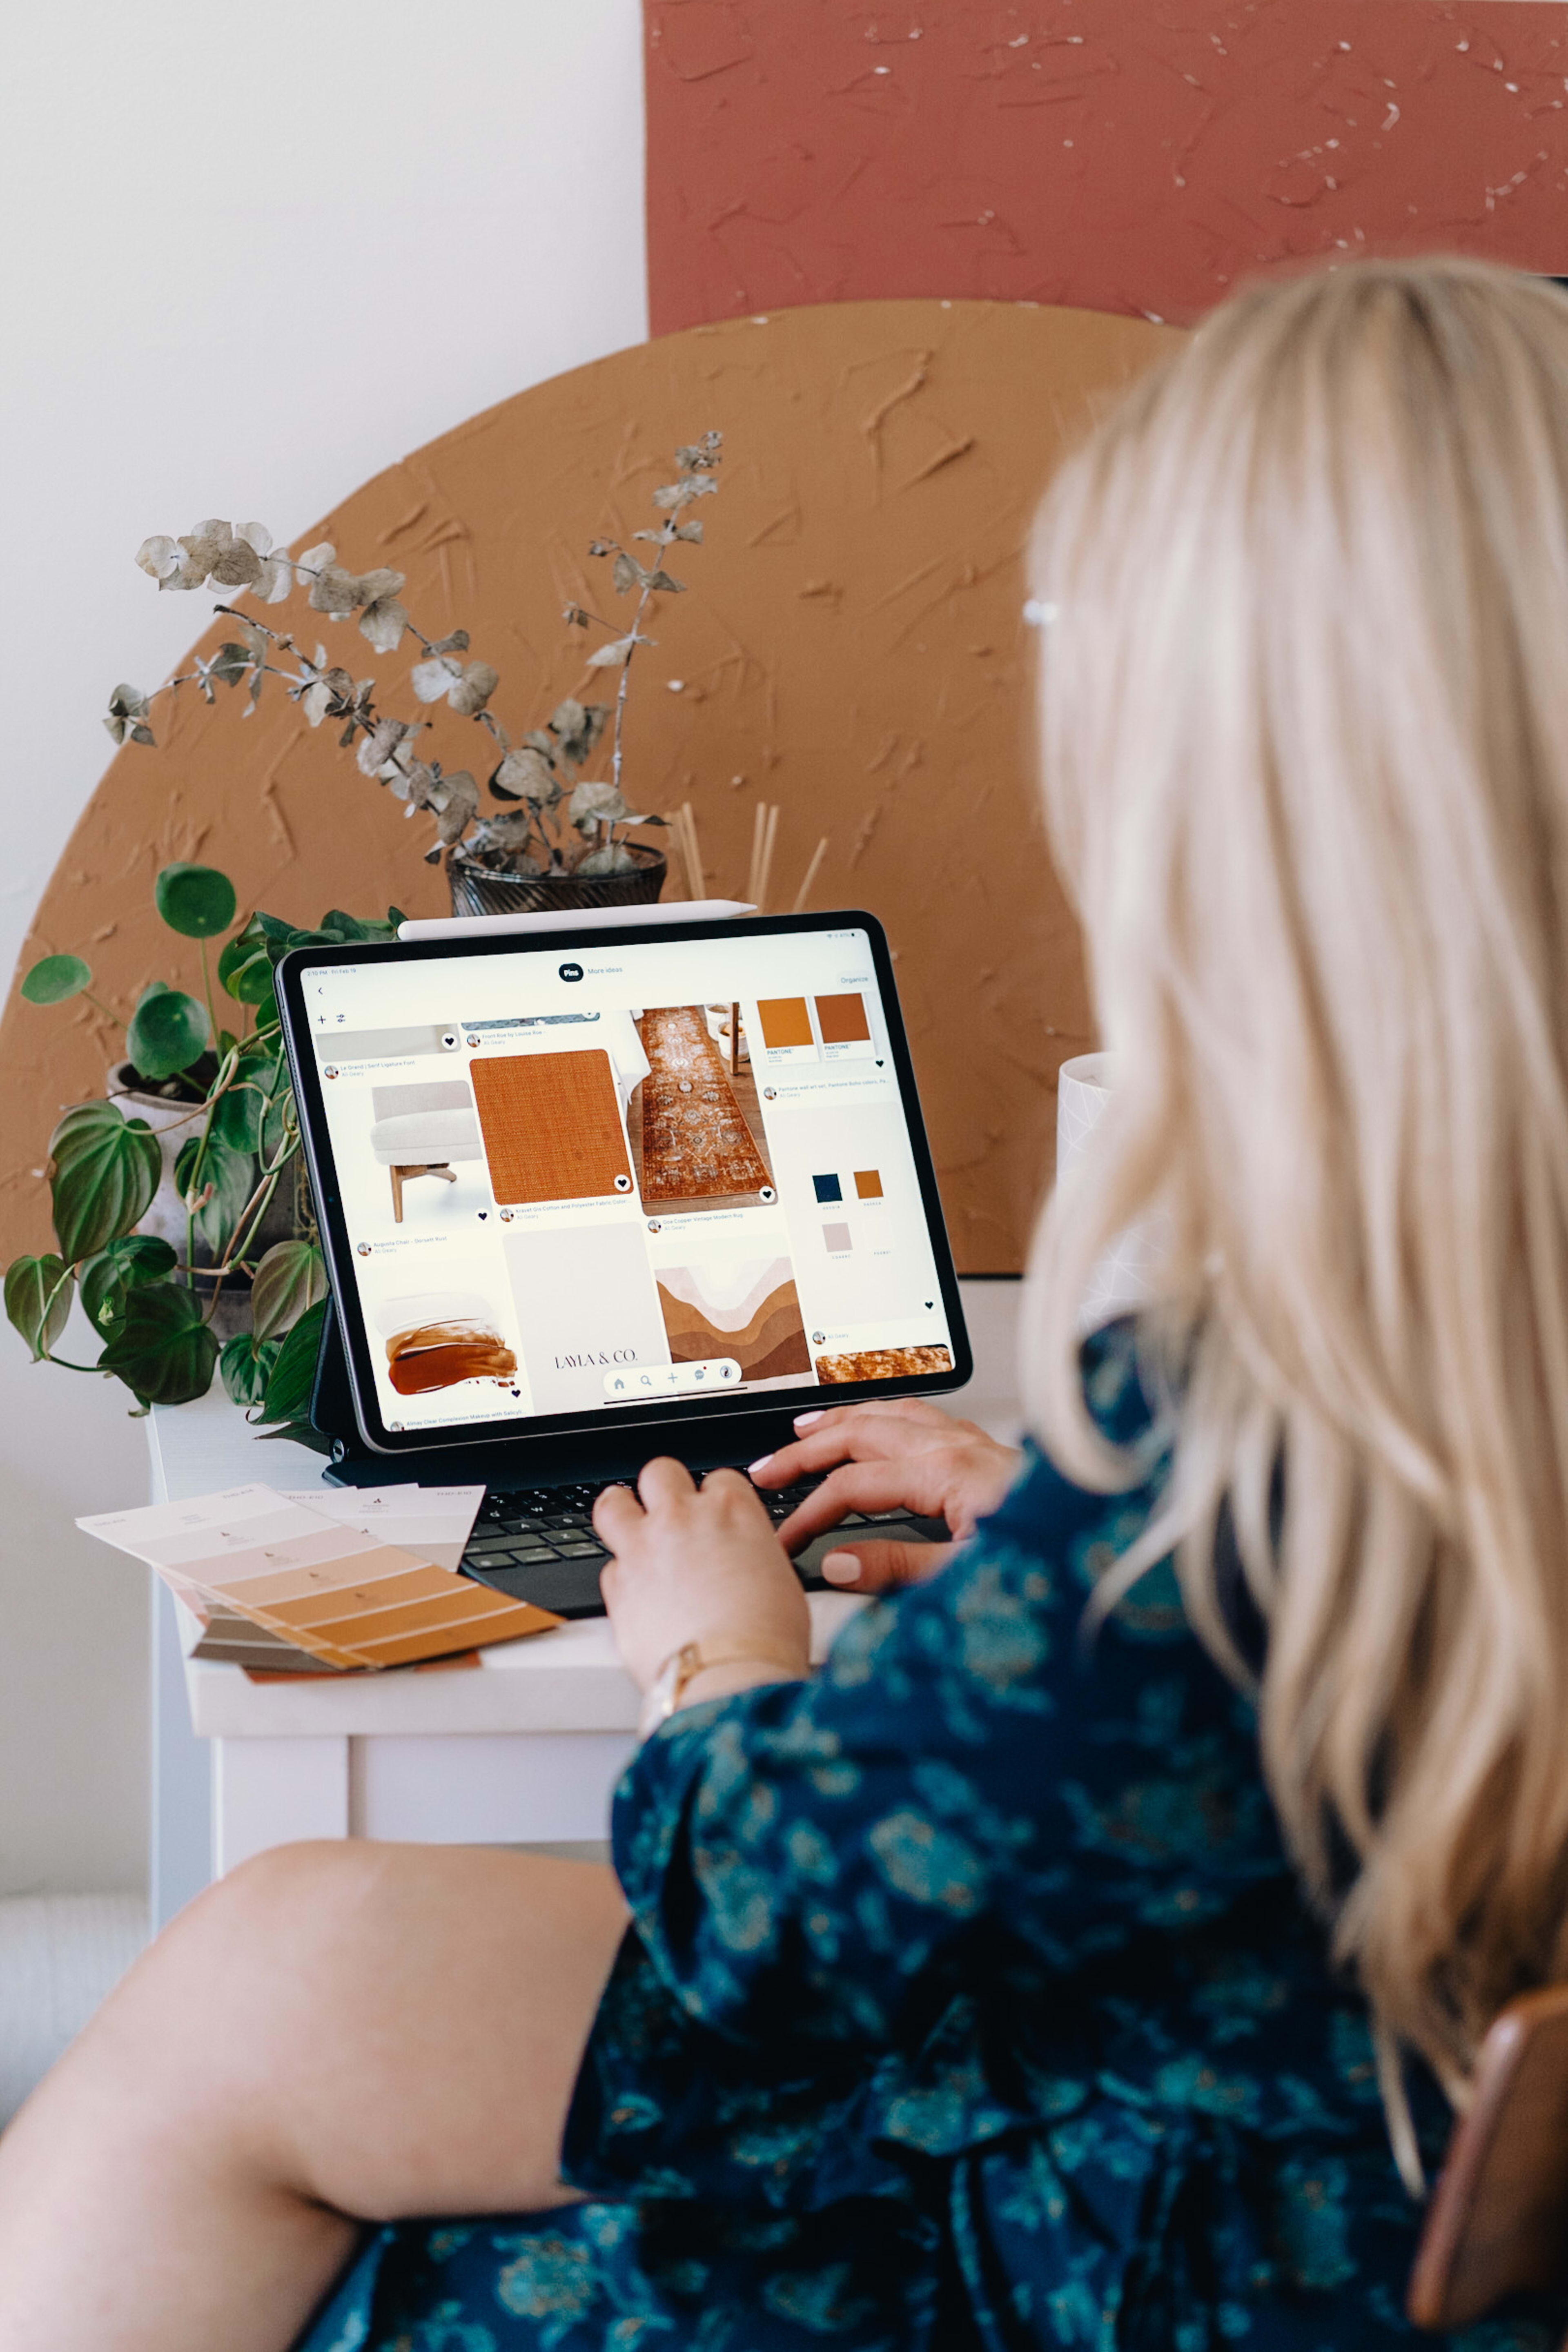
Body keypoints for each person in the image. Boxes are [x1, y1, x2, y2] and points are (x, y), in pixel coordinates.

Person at [4, 254, 1568, 2350]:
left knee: (244, 2038)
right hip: (1326, 2151)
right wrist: (1080, 1550)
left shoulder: (1250, 1438)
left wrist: (721, 1659)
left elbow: (765, 1929)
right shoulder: (1358, 1446)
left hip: (1138, 2244)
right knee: (277, 1967)